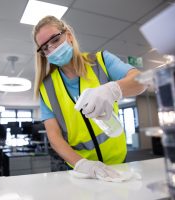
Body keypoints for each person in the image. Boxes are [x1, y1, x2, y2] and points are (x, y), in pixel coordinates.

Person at [32, 16, 146, 179]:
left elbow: (140, 82)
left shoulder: (101, 61)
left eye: (55, 40)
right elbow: (54, 137)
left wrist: (112, 89)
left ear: (69, 35)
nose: (52, 49)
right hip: (82, 170)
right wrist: (82, 164)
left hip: (118, 162)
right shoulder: (46, 87)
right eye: (45, 48)